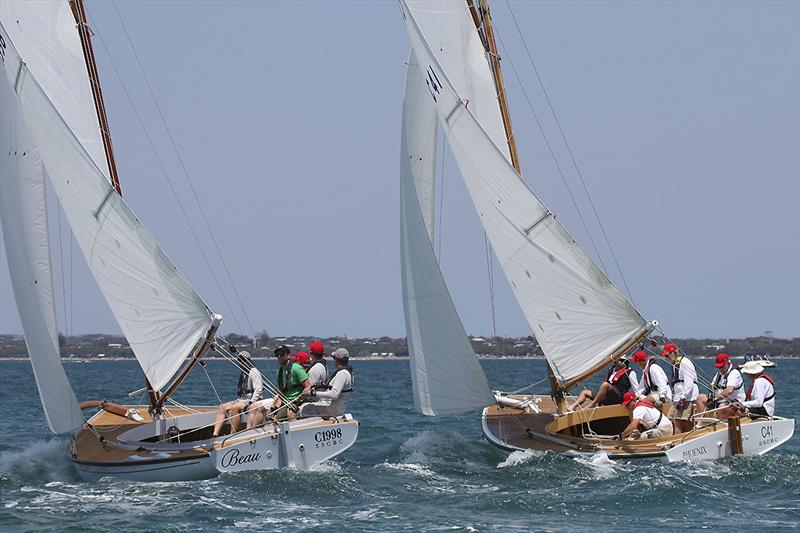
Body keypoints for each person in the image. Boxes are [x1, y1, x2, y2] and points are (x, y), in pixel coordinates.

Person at [212, 349, 262, 437]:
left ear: (248, 361)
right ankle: (215, 434)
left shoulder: (254, 372)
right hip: (242, 399)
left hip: (250, 400)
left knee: (235, 408)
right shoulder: (244, 372)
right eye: (240, 361)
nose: (241, 363)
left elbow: (258, 389)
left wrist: (251, 402)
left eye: (243, 361)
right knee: (222, 407)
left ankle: (232, 434)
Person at [299, 348, 353, 418]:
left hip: (333, 410)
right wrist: (322, 385)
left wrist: (312, 393)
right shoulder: (347, 372)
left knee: (303, 408)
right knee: (307, 406)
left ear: (336, 359)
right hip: (338, 408)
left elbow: (334, 395)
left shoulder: (342, 374)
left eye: (334, 358)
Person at [568, 358, 634, 411]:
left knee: (605, 385)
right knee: (585, 392)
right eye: (619, 360)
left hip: (618, 397)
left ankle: (592, 405)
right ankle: (572, 406)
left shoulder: (630, 372)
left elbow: (636, 387)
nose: (619, 362)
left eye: (623, 361)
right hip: (607, 396)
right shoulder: (612, 369)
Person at [662, 342, 698, 433]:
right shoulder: (675, 364)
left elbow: (688, 381)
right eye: (665, 357)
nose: (666, 359)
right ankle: (671, 440)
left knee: (678, 420)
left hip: (686, 397)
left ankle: (677, 443)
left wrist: (683, 397)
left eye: (667, 356)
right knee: (669, 420)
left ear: (673, 353)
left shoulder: (685, 362)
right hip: (677, 398)